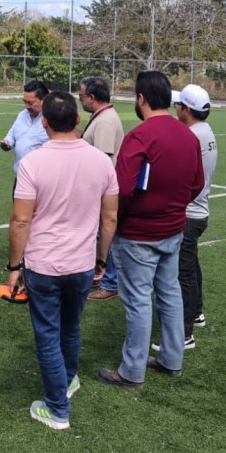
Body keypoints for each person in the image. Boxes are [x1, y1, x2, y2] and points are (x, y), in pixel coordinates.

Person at [6, 91, 118, 429]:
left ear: (44, 122)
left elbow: (21, 220)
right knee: (70, 327)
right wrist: (101, 261)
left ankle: (57, 409)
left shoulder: (32, 163)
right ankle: (68, 380)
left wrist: (13, 267)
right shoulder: (101, 161)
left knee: (48, 334)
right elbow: (110, 218)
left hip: (45, 266)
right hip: (82, 264)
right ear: (78, 119)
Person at [96, 70, 204, 390]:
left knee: (138, 300)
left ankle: (132, 370)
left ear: (140, 98)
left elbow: (124, 189)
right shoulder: (188, 135)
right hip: (173, 230)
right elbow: (197, 184)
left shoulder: (140, 136)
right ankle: (172, 359)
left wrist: (117, 220)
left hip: (139, 235)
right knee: (169, 294)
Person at [163, 84, 218, 350]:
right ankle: (196, 313)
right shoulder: (204, 131)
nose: (175, 110)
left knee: (183, 273)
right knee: (191, 265)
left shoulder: (191, 137)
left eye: (178, 106)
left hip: (189, 213)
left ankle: (184, 335)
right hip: (199, 211)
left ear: (186, 110)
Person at [78, 75, 125, 302]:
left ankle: (110, 283)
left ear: (92, 97)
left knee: (106, 235)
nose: (80, 99)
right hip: (101, 191)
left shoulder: (105, 121)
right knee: (102, 235)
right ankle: (101, 277)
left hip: (103, 192)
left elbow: (103, 160)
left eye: (81, 95)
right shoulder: (101, 117)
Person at [0, 80, 49, 176]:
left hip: (42, 177)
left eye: (30, 103)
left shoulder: (52, 119)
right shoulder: (22, 115)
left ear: (44, 100)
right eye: (24, 102)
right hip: (20, 176)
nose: (27, 106)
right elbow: (11, 136)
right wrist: (7, 143)